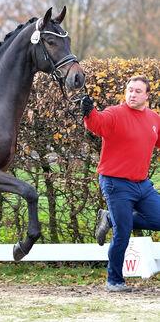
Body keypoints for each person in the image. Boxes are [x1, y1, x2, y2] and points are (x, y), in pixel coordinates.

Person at [81, 74, 160, 292]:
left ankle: (111, 218)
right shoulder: (115, 114)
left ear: (147, 95)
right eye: (129, 90)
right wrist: (89, 113)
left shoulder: (154, 118)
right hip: (116, 183)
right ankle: (114, 280)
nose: (132, 94)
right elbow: (97, 123)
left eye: (137, 91)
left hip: (142, 184)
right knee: (122, 233)